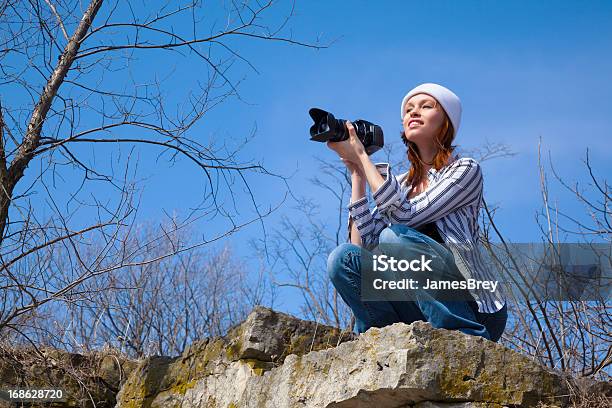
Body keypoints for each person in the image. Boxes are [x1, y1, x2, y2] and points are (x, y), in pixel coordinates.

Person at [326, 83, 507, 342]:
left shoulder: (465, 170)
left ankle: (462, 337)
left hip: (474, 307)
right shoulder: (399, 185)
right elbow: (362, 246)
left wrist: (364, 158)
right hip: (418, 304)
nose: (414, 112)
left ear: (446, 121)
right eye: (409, 109)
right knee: (342, 259)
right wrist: (357, 174)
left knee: (394, 238)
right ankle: (382, 340)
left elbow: (403, 219)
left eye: (426, 106)